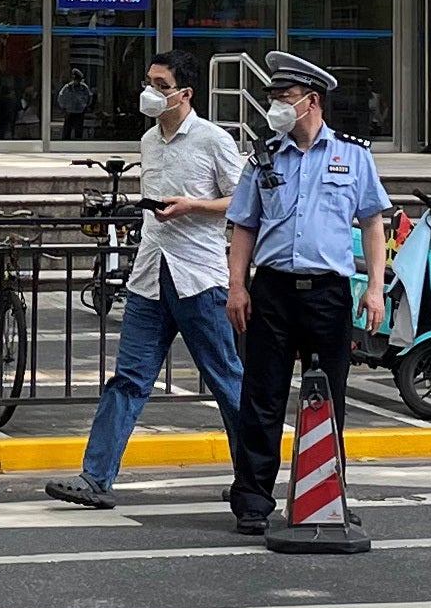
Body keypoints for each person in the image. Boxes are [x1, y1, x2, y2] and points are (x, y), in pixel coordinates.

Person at [48, 49, 245, 508]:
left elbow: (243, 203)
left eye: (161, 85)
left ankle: (251, 479)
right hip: (150, 274)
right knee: (128, 378)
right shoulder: (148, 142)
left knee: (226, 380)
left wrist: (192, 205)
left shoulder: (214, 140)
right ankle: (96, 477)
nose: (151, 92)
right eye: (149, 82)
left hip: (199, 276)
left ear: (185, 94)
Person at [223, 49, 390, 535]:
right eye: (272, 95)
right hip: (272, 290)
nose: (275, 104)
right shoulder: (264, 156)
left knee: (329, 400)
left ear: (310, 101)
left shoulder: (352, 155)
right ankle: (253, 501)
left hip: (329, 293)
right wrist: (237, 286)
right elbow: (243, 225)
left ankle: (328, 496)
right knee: (262, 397)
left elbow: (373, 223)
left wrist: (374, 288)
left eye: (284, 96)